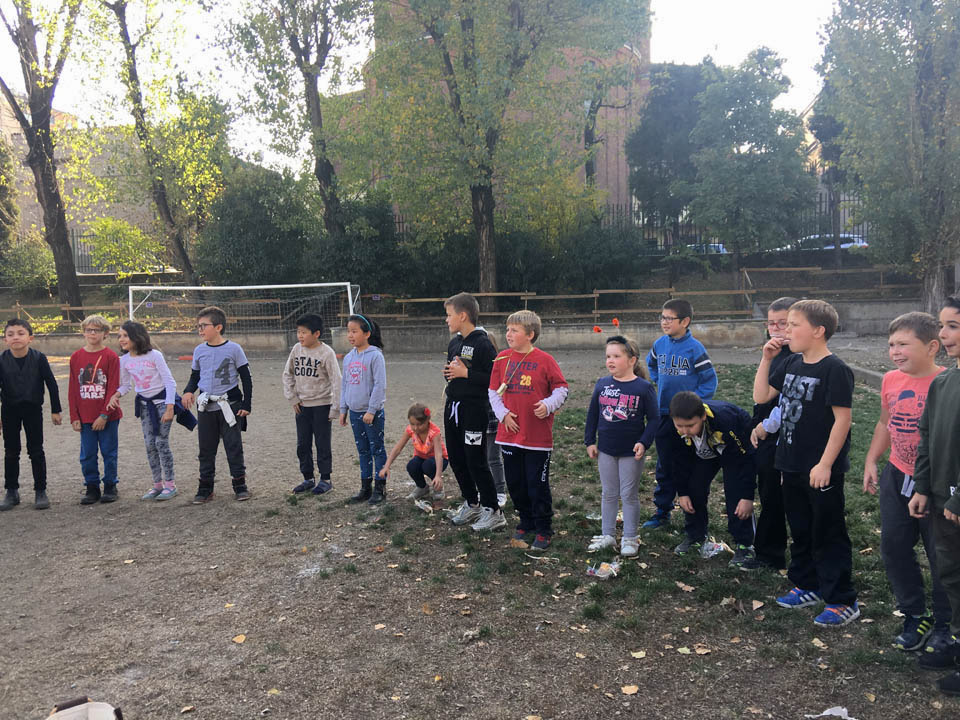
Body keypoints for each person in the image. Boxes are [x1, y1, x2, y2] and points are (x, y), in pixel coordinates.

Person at [754, 299, 858, 627]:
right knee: (800, 528)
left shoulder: (835, 369)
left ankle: (842, 600)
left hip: (820, 469)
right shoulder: (790, 363)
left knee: (827, 532)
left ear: (818, 330)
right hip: (790, 464)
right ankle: (807, 585)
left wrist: (825, 464)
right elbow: (760, 397)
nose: (786, 330)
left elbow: (843, 421)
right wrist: (766, 358)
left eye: (793, 325)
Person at [863, 311, 949, 652]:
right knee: (894, 547)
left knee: (941, 554)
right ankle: (915, 613)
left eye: (903, 344)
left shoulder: (946, 384)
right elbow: (886, 422)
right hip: (897, 474)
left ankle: (946, 622)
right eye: (891, 345)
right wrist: (872, 459)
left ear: (932, 346)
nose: (895, 351)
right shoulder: (890, 380)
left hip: (937, 483)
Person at [908, 296, 960, 695]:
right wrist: (923, 486)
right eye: (942, 326)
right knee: (952, 574)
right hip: (942, 500)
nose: (943, 335)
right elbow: (926, 437)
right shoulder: (945, 382)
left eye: (953, 326)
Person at [488, 310, 568, 550]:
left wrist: (548, 404)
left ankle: (544, 527)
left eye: (514, 330)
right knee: (515, 482)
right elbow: (493, 391)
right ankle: (525, 522)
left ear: (530, 335)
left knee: (536, 483)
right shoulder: (502, 359)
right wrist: (502, 415)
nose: (508, 334)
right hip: (509, 436)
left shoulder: (545, 360)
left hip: (537, 438)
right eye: (507, 329)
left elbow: (562, 389)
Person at [643, 298, 718, 529]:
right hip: (665, 415)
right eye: (662, 317)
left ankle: (693, 512)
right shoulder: (659, 345)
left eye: (669, 318)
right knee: (665, 464)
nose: (664, 322)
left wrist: (693, 405)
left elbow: (710, 381)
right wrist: (658, 381)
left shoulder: (695, 348)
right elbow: (652, 365)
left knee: (690, 463)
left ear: (685, 321)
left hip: (689, 421)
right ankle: (662, 511)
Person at [584, 335, 658, 556]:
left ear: (632, 360)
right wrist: (590, 441)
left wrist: (644, 443)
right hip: (606, 450)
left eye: (616, 356)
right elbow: (592, 415)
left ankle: (630, 537)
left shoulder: (643, 388)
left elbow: (654, 419)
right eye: (608, 356)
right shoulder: (602, 384)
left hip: (630, 453)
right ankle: (607, 535)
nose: (610, 360)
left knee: (628, 495)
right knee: (608, 493)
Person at [668, 391, 758, 567]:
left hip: (734, 451)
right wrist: (683, 492)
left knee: (735, 494)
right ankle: (695, 535)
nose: (685, 431)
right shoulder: (676, 429)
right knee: (694, 488)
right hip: (707, 452)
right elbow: (678, 462)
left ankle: (745, 545)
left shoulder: (727, 421)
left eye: (690, 426)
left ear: (702, 417)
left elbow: (746, 458)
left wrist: (747, 496)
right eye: (680, 425)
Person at [107, 321, 192, 501]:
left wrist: (170, 408)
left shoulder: (155, 356)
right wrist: (116, 395)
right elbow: (125, 385)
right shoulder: (124, 360)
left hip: (162, 404)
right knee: (149, 445)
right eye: (119, 336)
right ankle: (157, 485)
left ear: (136, 336)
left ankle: (170, 484)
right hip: (145, 407)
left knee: (161, 442)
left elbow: (169, 382)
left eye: (125, 335)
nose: (121, 339)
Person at [442, 292, 503, 531]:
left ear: (463, 315)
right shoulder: (454, 342)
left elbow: (495, 380)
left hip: (473, 411)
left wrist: (466, 374)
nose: (446, 320)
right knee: (456, 458)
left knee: (475, 460)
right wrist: (449, 373)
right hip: (453, 408)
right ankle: (472, 503)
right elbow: (454, 371)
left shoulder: (483, 343)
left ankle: (493, 510)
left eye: (449, 315)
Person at [181, 306, 252, 503]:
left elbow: (246, 378)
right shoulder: (199, 350)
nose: (200, 329)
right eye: (198, 326)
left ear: (218, 327)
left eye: (204, 325)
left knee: (233, 446)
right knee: (206, 448)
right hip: (206, 407)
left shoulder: (234, 349)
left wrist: (246, 403)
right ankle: (205, 488)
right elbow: (195, 376)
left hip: (230, 406)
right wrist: (188, 391)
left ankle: (240, 485)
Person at [748, 297, 798, 570]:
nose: (777, 329)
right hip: (765, 428)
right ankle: (768, 552)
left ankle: (773, 554)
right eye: (771, 323)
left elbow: (787, 403)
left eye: (784, 323)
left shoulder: (797, 356)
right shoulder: (774, 352)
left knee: (780, 497)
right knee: (768, 492)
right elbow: (760, 394)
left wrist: (765, 427)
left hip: (780, 435)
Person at [0, 318, 62, 510]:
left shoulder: (39, 358)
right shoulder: (1, 360)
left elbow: (51, 384)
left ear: (30, 338)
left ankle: (40, 491)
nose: (15, 337)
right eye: (10, 334)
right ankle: (11, 491)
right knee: (11, 451)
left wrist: (55, 410)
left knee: (36, 450)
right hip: (9, 410)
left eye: (20, 333)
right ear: (5, 339)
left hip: (33, 409)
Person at [283, 313, 341, 495]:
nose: (300, 336)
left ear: (316, 334)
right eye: (298, 332)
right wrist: (292, 397)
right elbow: (287, 374)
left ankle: (325, 479)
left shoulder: (327, 353)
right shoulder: (296, 350)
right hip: (302, 406)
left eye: (304, 332)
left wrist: (335, 408)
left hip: (322, 406)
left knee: (322, 443)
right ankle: (308, 478)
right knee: (303, 444)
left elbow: (337, 380)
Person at [68, 315, 122, 505]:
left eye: (97, 330)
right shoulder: (76, 357)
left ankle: (110, 486)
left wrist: (104, 415)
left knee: (109, 452)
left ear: (105, 334)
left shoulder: (111, 356)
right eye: (89, 330)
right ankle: (91, 487)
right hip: (85, 417)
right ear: (83, 332)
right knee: (87, 454)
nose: (92, 333)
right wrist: (74, 416)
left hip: (107, 416)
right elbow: (73, 389)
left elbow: (113, 387)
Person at [339, 314, 388, 505]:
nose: (350, 335)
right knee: (363, 450)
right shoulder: (349, 357)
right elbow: (345, 385)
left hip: (372, 414)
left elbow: (379, 385)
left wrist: (372, 410)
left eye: (354, 331)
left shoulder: (375, 356)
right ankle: (365, 487)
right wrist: (344, 408)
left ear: (367, 333)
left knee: (377, 448)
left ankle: (380, 487)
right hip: (354, 413)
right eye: (348, 331)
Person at [380, 403, 447, 500]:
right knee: (411, 466)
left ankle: (438, 487)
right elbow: (398, 448)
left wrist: (438, 475)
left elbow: (438, 454)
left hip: (439, 460)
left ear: (428, 420)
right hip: (422, 458)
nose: (415, 428)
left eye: (419, 424)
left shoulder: (434, 432)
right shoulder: (410, 430)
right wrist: (386, 466)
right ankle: (422, 487)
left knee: (428, 466)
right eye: (412, 424)